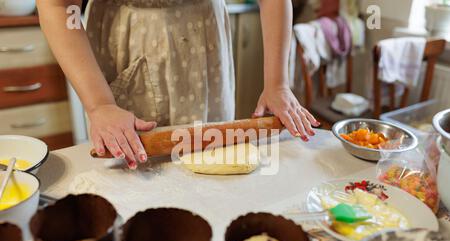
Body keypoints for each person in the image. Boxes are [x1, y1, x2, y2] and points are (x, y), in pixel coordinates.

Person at [37, 0, 320, 169]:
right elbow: (58, 5)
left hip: (207, 46)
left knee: (211, 166)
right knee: (135, 180)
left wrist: (278, 83)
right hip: (126, 41)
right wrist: (100, 104)